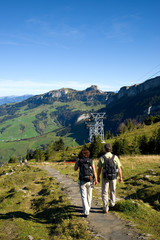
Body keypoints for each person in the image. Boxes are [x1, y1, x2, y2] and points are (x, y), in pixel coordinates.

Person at [97, 143, 122, 213]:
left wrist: (98, 177)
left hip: (105, 177)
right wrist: (120, 177)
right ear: (111, 149)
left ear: (105, 149)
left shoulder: (102, 157)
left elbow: (99, 168)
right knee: (112, 191)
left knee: (105, 192)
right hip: (114, 177)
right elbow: (119, 168)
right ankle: (112, 205)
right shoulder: (115, 157)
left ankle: (105, 208)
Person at [74, 147, 97, 217]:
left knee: (83, 196)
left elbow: (75, 169)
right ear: (88, 154)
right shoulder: (91, 161)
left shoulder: (79, 161)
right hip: (90, 180)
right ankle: (88, 208)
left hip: (82, 180)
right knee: (89, 195)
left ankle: (86, 210)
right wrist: (95, 179)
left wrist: (76, 161)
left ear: (82, 154)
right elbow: (94, 170)